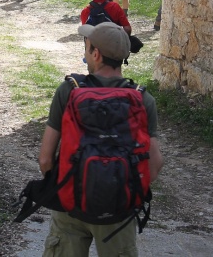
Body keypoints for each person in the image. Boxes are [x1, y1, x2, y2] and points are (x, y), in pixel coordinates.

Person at [38, 22, 164, 257]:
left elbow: (45, 159)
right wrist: (121, 188)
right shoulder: (143, 99)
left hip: (70, 206)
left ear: (95, 54)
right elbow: (154, 165)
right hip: (119, 208)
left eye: (86, 46)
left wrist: (67, 188)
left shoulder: (69, 91)